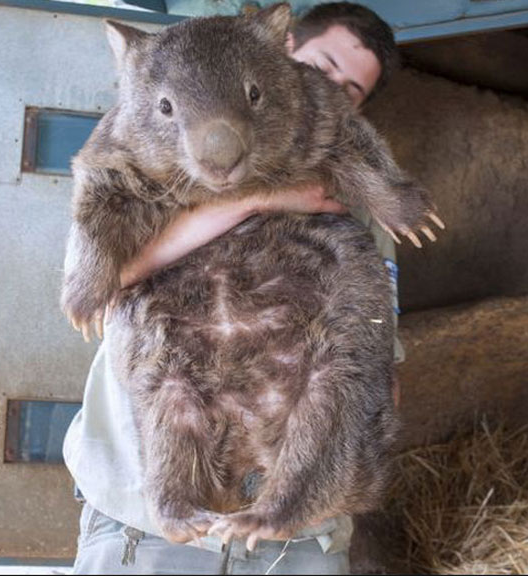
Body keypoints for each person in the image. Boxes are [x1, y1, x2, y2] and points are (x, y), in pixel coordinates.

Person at [64, 3, 404, 574]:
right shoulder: (144, 142)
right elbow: (101, 276)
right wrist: (259, 199)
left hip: (296, 534)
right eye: (321, 69)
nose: (331, 92)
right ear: (283, 51)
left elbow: (373, 358)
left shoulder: (357, 196)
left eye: (352, 90)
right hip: (144, 522)